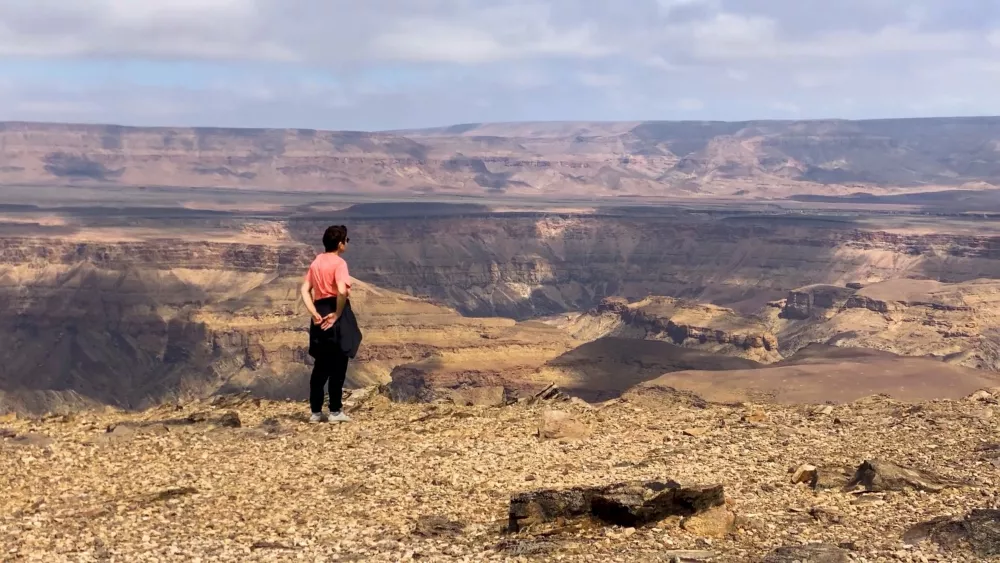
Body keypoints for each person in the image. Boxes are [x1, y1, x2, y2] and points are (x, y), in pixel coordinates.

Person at [300, 224, 362, 423]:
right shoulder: (339, 263)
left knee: (321, 364)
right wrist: (337, 313)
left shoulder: (316, 262)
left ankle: (315, 412)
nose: (346, 244)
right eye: (346, 240)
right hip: (335, 311)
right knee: (339, 362)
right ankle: (335, 410)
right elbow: (342, 291)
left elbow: (304, 290)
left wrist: (314, 313)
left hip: (319, 311)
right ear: (340, 244)